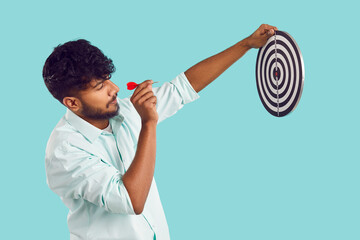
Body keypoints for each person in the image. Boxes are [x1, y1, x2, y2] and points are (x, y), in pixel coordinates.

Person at [43, 24, 277, 240]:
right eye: (99, 87)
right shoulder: (65, 151)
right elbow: (130, 200)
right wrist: (148, 124)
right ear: (72, 103)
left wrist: (246, 44)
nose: (114, 89)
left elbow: (182, 88)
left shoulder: (124, 110)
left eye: (108, 79)